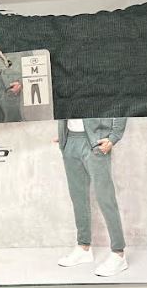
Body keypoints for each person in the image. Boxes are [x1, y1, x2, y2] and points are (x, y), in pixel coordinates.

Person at [55, 118, 128, 277]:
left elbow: (120, 105)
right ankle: (83, 247)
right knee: (78, 197)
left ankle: (119, 253)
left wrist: (113, 137)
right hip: (69, 140)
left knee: (105, 198)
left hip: (95, 141)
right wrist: (62, 134)